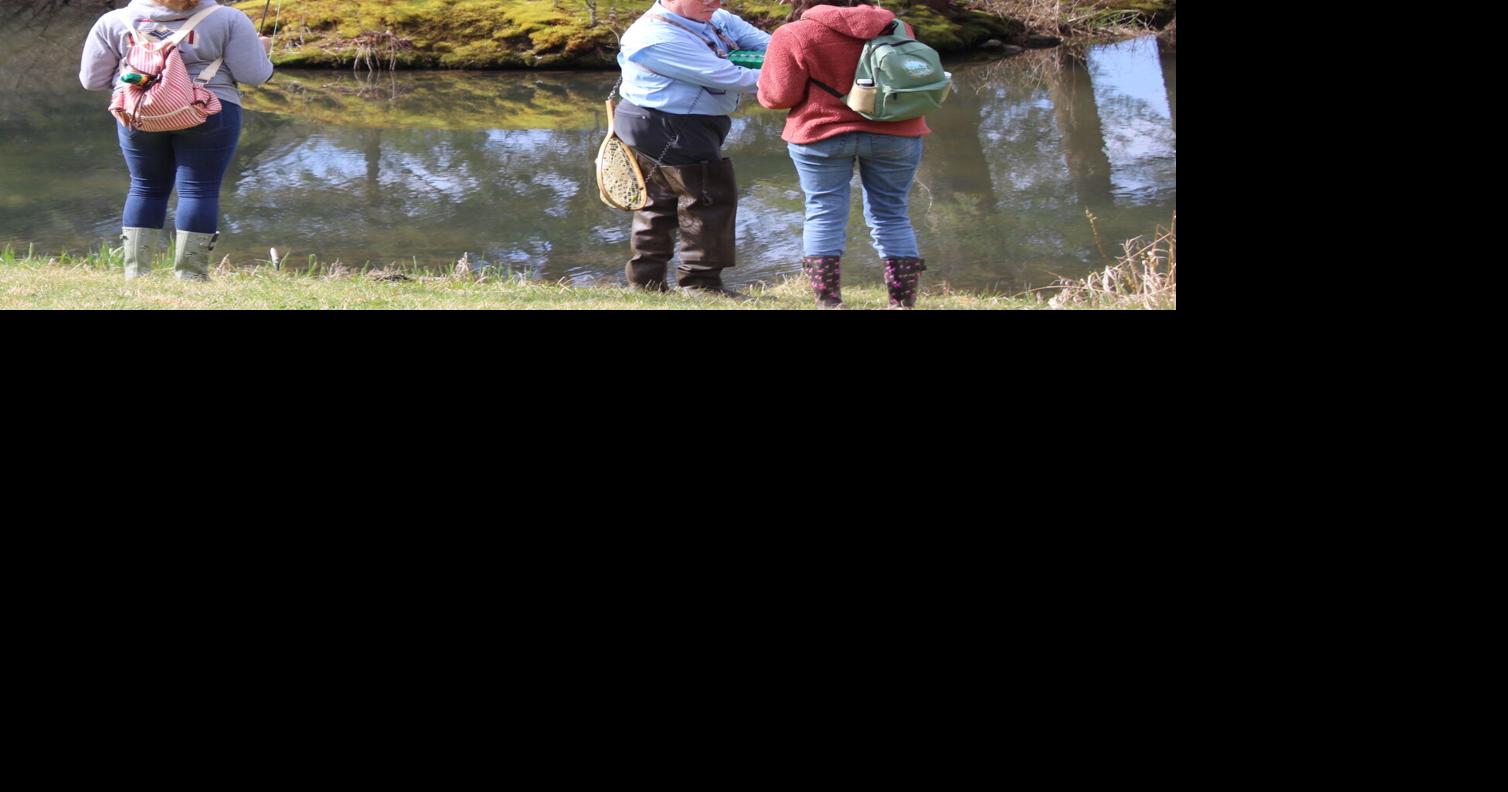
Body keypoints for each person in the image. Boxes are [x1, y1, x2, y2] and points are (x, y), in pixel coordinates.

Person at [80, 0, 273, 280]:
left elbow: (91, 80)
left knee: (145, 188)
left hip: (139, 113)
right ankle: (191, 276)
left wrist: (145, 85)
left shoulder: (114, 21)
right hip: (210, 109)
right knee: (199, 190)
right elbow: (254, 75)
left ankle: (136, 273)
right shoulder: (229, 19)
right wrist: (262, 51)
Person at [757, 0, 929, 309]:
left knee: (823, 212)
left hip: (821, 133)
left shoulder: (794, 34)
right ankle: (902, 304)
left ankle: (830, 303)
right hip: (896, 132)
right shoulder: (898, 27)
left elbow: (778, 97)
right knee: (891, 214)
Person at [614, 0, 769, 298]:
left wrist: (791, 58)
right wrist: (798, 76)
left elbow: (773, 47)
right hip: (669, 122)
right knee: (708, 198)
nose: (715, 1)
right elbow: (730, 76)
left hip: (667, 119)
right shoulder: (655, 36)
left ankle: (646, 283)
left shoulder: (716, 17)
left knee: (659, 202)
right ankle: (701, 284)